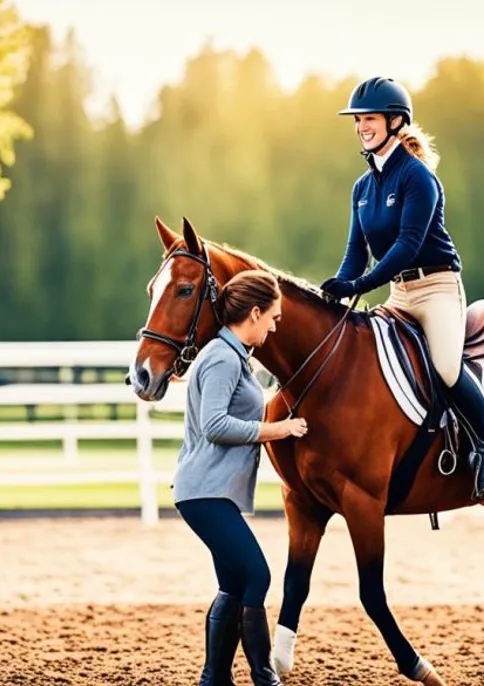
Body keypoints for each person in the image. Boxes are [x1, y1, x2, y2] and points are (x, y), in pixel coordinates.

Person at [319, 76, 484, 500]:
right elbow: (357, 251)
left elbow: (407, 246)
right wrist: (336, 291)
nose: (361, 127)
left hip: (437, 289)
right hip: (399, 294)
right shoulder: (362, 187)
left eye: (369, 119)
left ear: (395, 122)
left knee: (445, 367)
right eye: (357, 121)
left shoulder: (417, 177)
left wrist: (364, 283)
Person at [173, 270, 308, 686]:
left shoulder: (232, 357)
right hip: (204, 492)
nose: (274, 325)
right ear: (253, 313)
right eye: (273, 317)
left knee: (233, 581)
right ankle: (264, 676)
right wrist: (279, 430)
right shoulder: (221, 357)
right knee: (258, 575)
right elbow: (215, 424)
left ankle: (214, 678)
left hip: (210, 493)